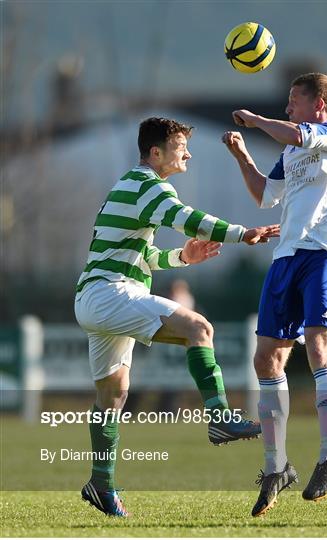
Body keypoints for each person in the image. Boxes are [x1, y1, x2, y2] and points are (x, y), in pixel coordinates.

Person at [74, 116, 279, 517]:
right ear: (155, 153)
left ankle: (101, 484)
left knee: (112, 395)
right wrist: (242, 233)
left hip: (98, 296)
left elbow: (143, 256)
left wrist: (182, 257)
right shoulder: (148, 185)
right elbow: (184, 218)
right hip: (110, 293)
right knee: (199, 328)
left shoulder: (132, 186)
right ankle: (220, 417)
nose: (187, 153)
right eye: (180, 146)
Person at [222, 72, 327, 517]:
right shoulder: (292, 148)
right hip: (286, 256)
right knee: (266, 359)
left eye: (293, 101)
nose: (287, 108)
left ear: (319, 104)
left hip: (325, 254)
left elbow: (297, 131)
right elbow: (266, 194)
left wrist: (257, 120)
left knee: (320, 346)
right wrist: (243, 155)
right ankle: (276, 465)